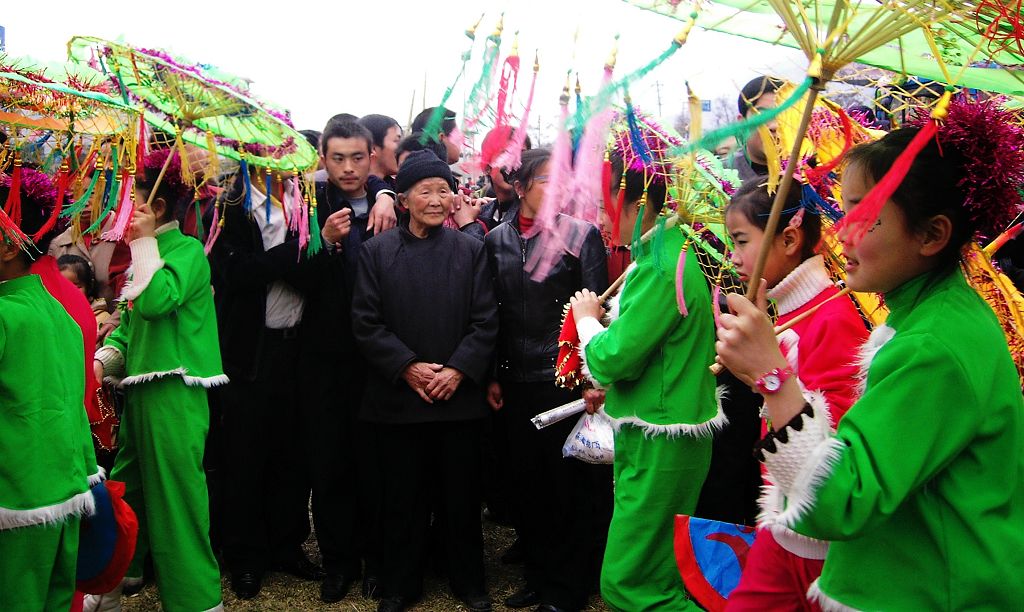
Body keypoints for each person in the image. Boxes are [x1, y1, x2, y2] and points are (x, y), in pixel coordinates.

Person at [715, 98, 1024, 609]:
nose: (842, 230)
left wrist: (773, 377)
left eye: (865, 212)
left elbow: (840, 499)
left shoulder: (933, 348)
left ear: (931, 235)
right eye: (845, 206)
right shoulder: (928, 316)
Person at [352, 150, 498, 612]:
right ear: (405, 200)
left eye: (443, 190)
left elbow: (487, 320)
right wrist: (408, 366)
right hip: (399, 398)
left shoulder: (471, 249)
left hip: (458, 398)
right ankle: (400, 584)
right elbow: (365, 323)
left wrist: (457, 369)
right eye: (425, 191)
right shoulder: (376, 252)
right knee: (402, 497)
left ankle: (469, 580)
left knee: (461, 496)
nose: (437, 199)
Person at [570, 181, 722, 610]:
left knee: (630, 583)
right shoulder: (665, 252)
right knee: (655, 571)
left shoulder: (660, 265)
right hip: (662, 425)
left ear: (637, 205)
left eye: (603, 206)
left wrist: (586, 321)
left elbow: (617, 357)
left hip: (663, 433)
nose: (598, 219)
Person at [718, 178, 868, 610]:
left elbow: (837, 439)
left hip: (811, 535)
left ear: (788, 238)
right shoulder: (787, 313)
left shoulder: (830, 317)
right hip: (784, 517)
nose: (733, 256)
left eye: (741, 240)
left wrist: (767, 377)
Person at [92, 148, 226, 612]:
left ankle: (196, 601)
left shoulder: (187, 251)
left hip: (177, 393)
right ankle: (110, 582)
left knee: (175, 501)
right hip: (143, 394)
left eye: (136, 201)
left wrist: (146, 245)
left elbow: (154, 304)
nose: (127, 211)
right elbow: (132, 325)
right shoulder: (146, 252)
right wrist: (104, 361)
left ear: (159, 209)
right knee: (125, 492)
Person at [484, 148, 612, 612]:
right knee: (526, 485)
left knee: (568, 490)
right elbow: (488, 312)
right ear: (519, 187)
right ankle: (537, 576)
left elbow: (597, 313)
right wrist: (492, 374)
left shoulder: (581, 237)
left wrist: (590, 378)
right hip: (513, 381)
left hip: (563, 381)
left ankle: (568, 586)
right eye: (543, 180)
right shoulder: (495, 239)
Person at [208, 166, 322, 600]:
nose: (278, 167)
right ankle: (245, 557)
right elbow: (233, 273)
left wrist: (288, 259)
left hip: (298, 349)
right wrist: (295, 254)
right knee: (244, 456)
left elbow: (314, 273)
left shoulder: (305, 202)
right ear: (251, 161)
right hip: (248, 352)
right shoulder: (230, 208)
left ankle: (287, 546)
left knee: (292, 455)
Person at [0, 175, 98, 612]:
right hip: (63, 491)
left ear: (7, 245)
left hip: (14, 498)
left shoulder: (6, 313)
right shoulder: (60, 311)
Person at [731, 76, 783, 182]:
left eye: (784, 115)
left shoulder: (812, 177)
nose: (774, 126)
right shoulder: (718, 178)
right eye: (762, 116)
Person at [59, 254, 111, 330]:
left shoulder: (102, 320)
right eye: (61, 287)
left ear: (89, 287)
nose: (68, 292)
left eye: (75, 287)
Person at [359, 114, 402, 185]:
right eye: (397, 141)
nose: (402, 148)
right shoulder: (356, 193)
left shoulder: (398, 189)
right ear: (373, 149)